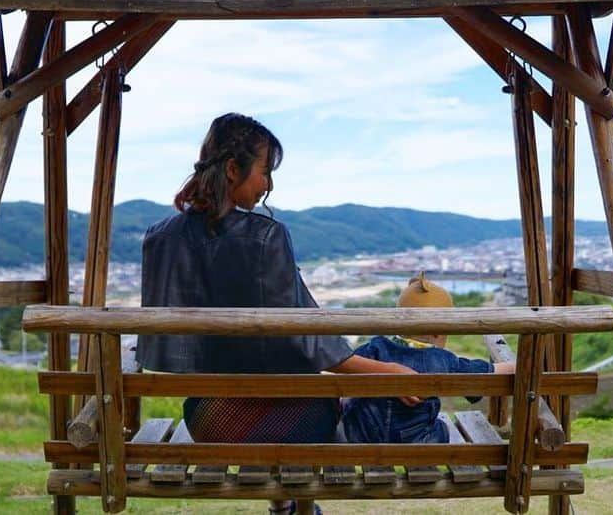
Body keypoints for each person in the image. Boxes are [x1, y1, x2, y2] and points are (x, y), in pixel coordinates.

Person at [137, 112, 418, 449]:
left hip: (206, 419)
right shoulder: (266, 237)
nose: (268, 185)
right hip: (292, 420)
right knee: (336, 394)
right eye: (265, 172)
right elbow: (312, 342)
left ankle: (284, 505)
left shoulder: (159, 237)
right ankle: (290, 504)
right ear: (232, 169)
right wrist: (390, 373)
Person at [341, 271, 514, 444]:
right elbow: (490, 373)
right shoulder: (443, 360)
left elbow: (345, 370)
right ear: (438, 332)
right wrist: (514, 366)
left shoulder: (375, 347)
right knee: (441, 429)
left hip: (361, 437)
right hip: (417, 442)